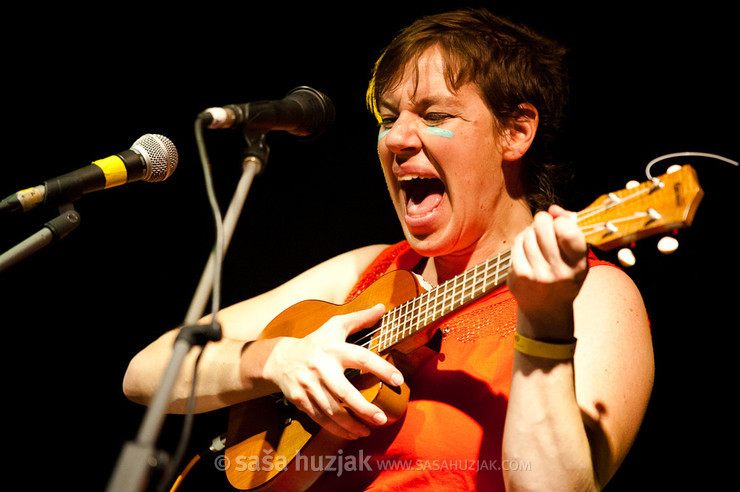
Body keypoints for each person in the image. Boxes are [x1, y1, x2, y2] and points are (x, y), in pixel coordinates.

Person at [123, 8, 654, 491]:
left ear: (516, 132)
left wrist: (543, 323)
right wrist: (280, 360)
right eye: (387, 117)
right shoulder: (367, 269)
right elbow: (147, 372)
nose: (396, 139)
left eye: (435, 115)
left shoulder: (593, 295)